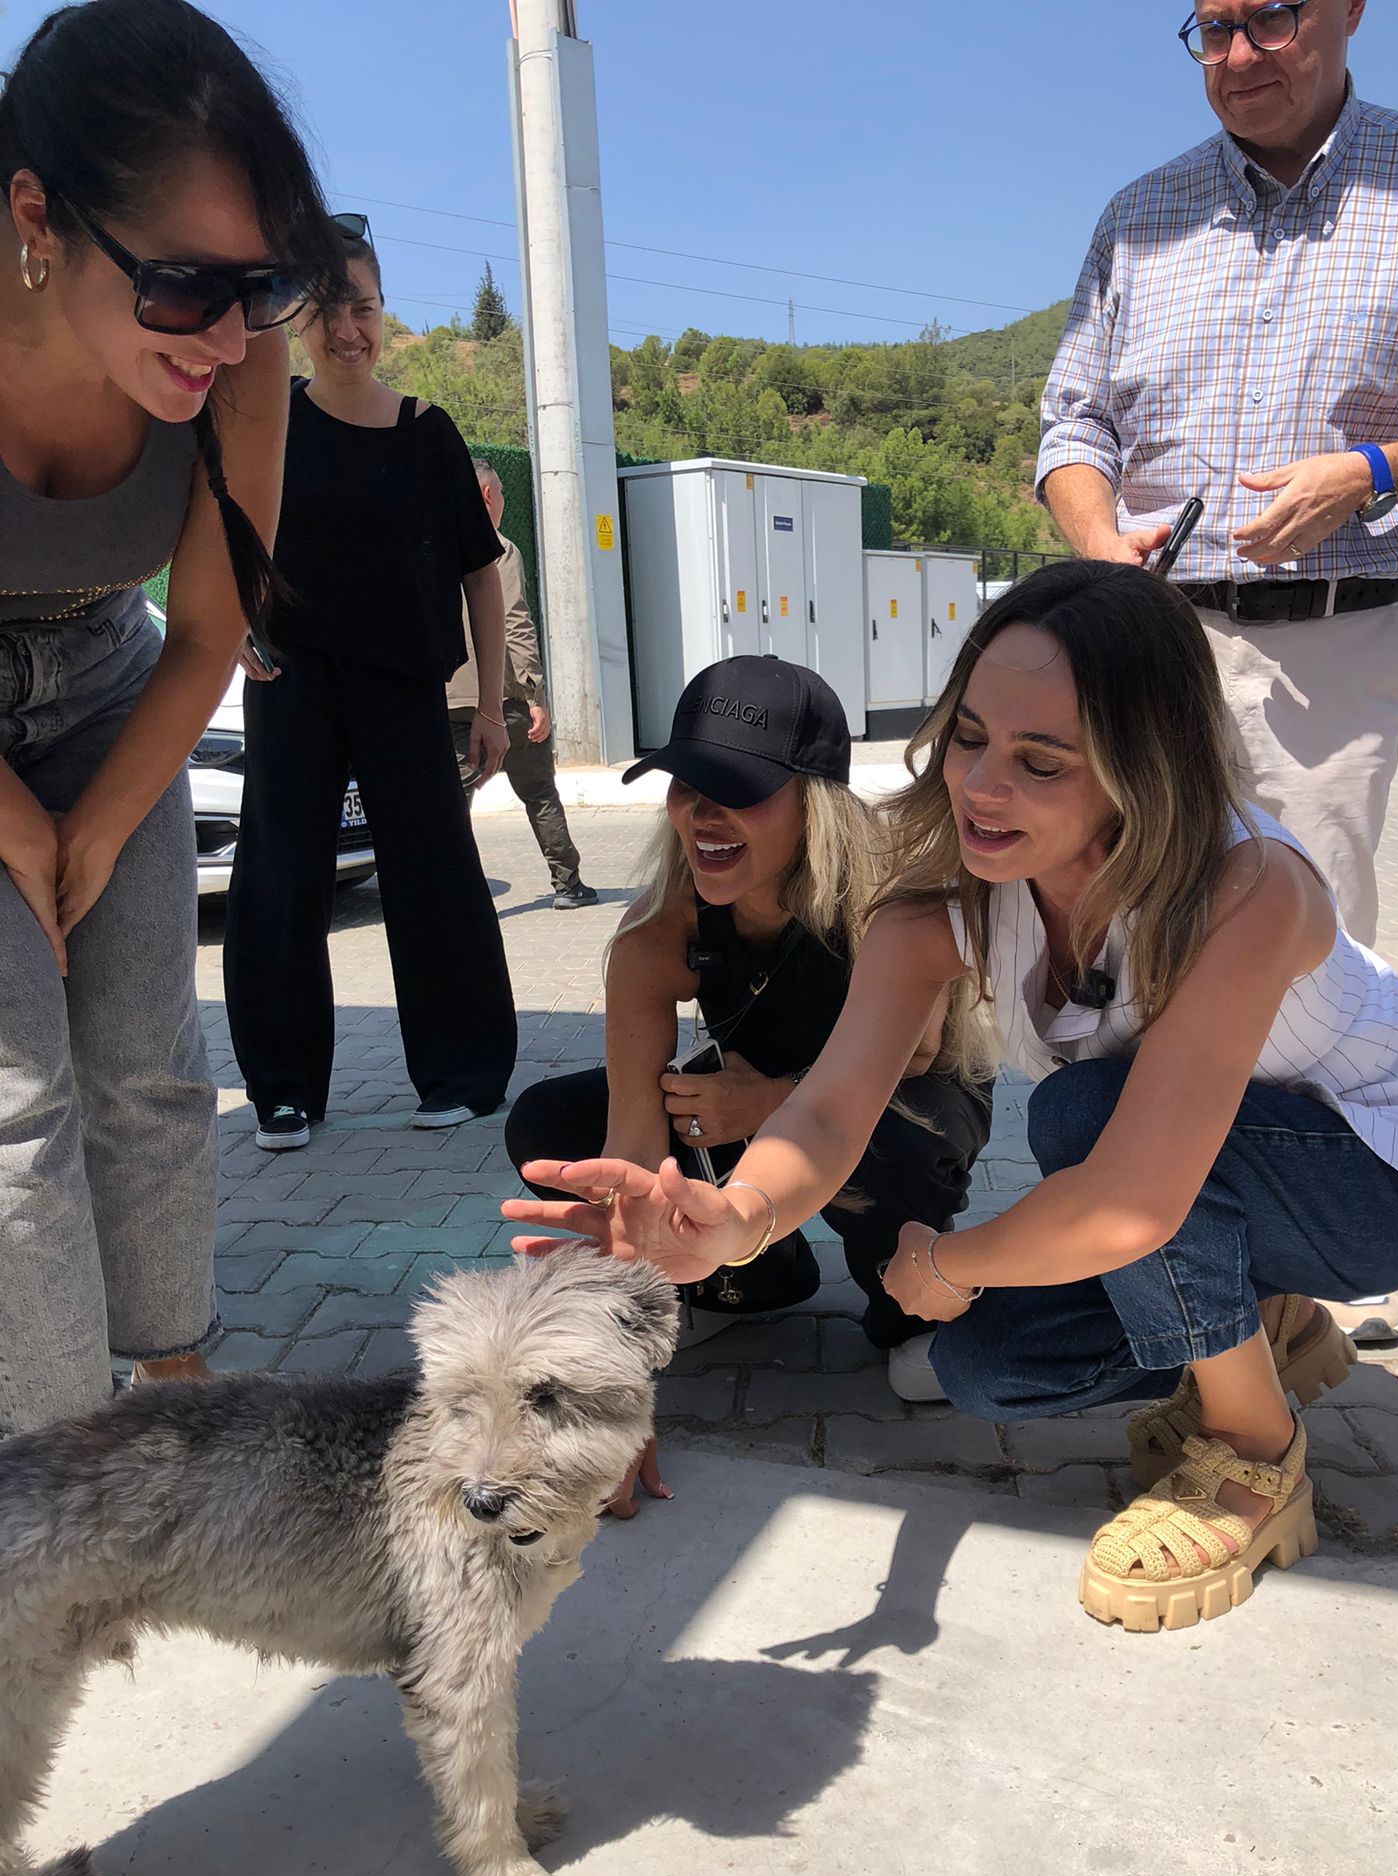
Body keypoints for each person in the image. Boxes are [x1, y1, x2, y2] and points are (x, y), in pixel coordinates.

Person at [504, 565, 1398, 1631]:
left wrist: (948, 1259)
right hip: (1229, 1174)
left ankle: (1257, 1455)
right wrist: (735, 1222)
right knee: (986, 1367)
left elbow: (1130, 1204)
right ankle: (1266, 1317)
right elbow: (834, 1111)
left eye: (1040, 761)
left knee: (1080, 1118)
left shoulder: (1246, 887)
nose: (982, 786)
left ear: (1142, 769)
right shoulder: (942, 897)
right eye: (970, 737)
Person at [0, 0, 344, 1432]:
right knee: (17, 1113)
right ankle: (61, 1482)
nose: (227, 333)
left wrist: (93, 828)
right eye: (185, 286)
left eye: (262, 288)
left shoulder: (244, 348)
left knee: (146, 1057)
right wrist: (22, 829)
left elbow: (209, 625)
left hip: (105, 671)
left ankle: (178, 1405)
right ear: (38, 216)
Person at [1037, 0, 1398, 955]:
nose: (1238, 55)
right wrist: (1100, 544)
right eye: (1213, 31)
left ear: (1349, 10)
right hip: (1151, 646)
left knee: (1309, 952)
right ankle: (1136, 1111)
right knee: (1126, 940)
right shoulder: (1140, 216)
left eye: (1269, 19)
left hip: (1332, 649)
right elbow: (1075, 424)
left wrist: (1372, 471)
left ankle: (1290, 1110)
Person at [503, 653, 993, 1511]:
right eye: (685, 781)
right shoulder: (659, 931)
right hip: (742, 1102)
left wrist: (762, 1105)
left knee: (894, 1158)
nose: (702, 810)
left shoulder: (889, 900)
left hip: (904, 1102)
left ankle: (904, 1303)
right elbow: (628, 1151)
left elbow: (911, 1063)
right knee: (553, 1127)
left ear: (818, 800)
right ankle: (744, 1278)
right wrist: (613, 1379)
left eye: (737, 786)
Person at [223, 234, 518, 1149]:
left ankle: (462, 1072)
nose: (348, 329)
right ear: (297, 317)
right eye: (327, 309)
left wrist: (496, 706)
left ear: (384, 313)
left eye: (365, 308)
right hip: (292, 679)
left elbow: (480, 573)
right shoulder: (270, 416)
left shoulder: (428, 430)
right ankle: (282, 1089)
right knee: (280, 879)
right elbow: (225, 536)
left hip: (402, 688)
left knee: (434, 876)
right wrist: (231, 629)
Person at [446, 459, 597, 910]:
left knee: (454, 802)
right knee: (539, 792)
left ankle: (455, 895)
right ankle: (568, 884)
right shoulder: (498, 549)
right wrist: (534, 696)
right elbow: (515, 622)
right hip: (503, 699)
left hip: (448, 698)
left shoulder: (432, 547)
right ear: (489, 497)